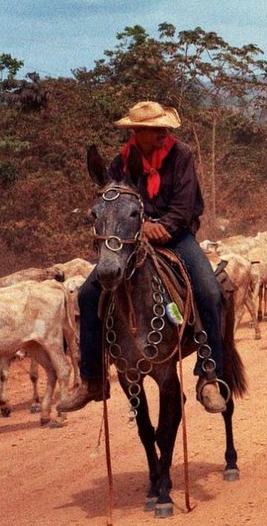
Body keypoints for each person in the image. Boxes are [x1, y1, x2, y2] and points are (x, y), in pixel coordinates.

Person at [59, 101, 229, 414]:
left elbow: (184, 205)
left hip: (177, 236)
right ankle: (92, 379)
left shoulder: (182, 155)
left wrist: (162, 226)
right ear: (137, 132)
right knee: (87, 294)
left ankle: (209, 375)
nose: (163, 133)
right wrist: (137, 225)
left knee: (210, 291)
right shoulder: (119, 163)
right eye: (155, 129)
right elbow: (112, 202)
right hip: (131, 239)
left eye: (164, 127)